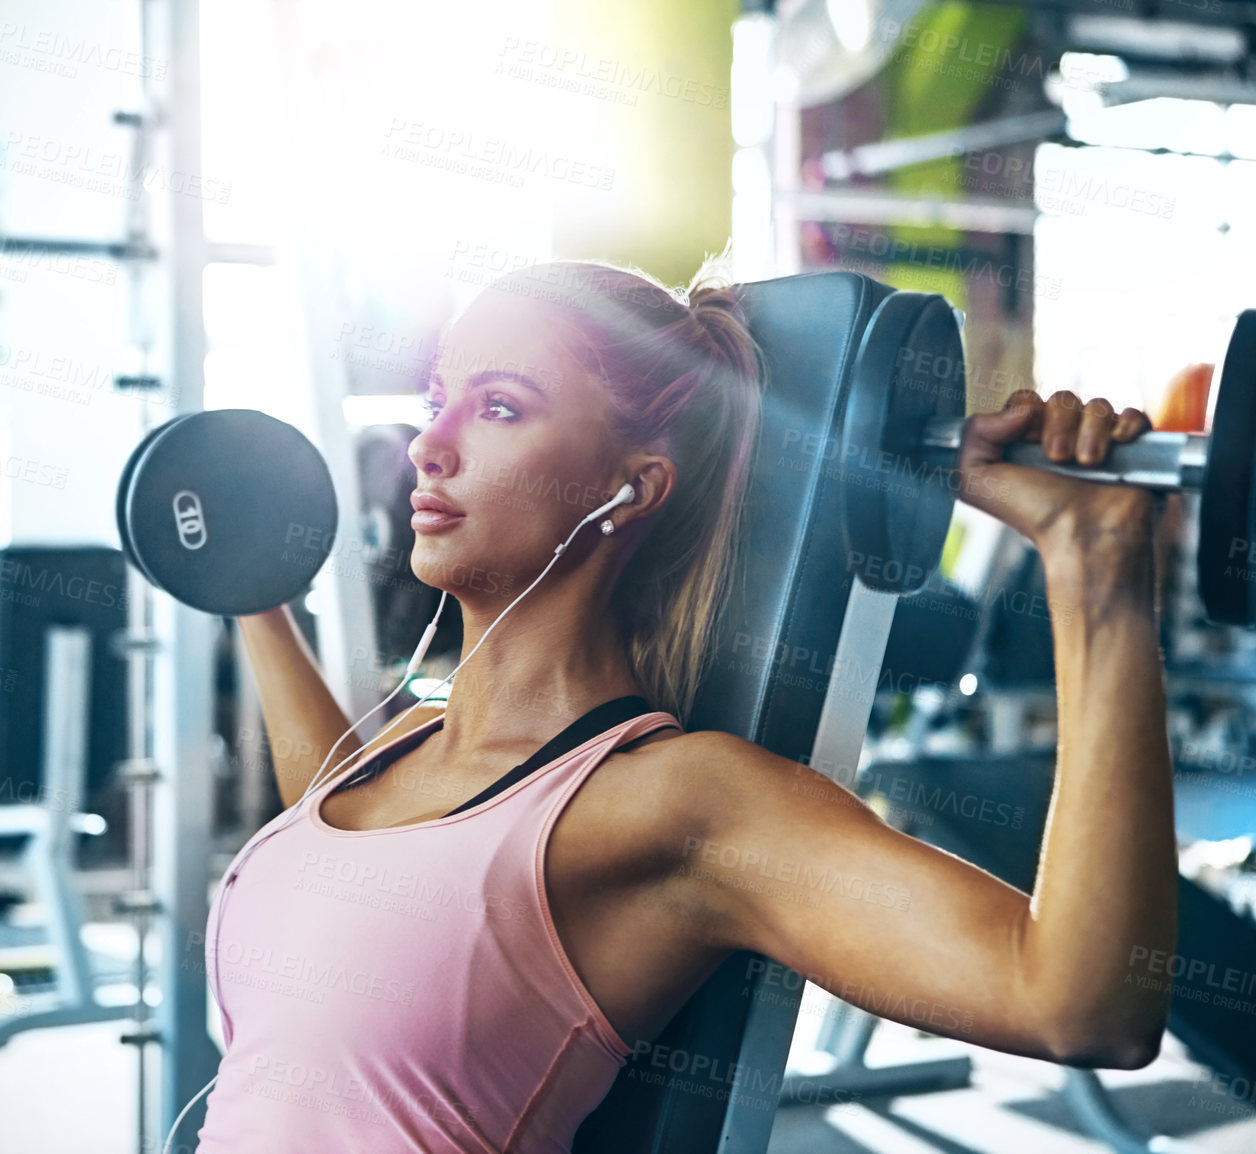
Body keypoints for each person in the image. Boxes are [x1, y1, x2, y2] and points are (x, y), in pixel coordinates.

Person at [196, 258, 1177, 1152]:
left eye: (498, 408)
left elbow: (1080, 1003)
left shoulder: (673, 804)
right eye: (437, 398)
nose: (428, 446)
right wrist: (252, 595)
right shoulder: (398, 746)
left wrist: (1093, 569)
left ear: (629, 487)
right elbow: (332, 837)